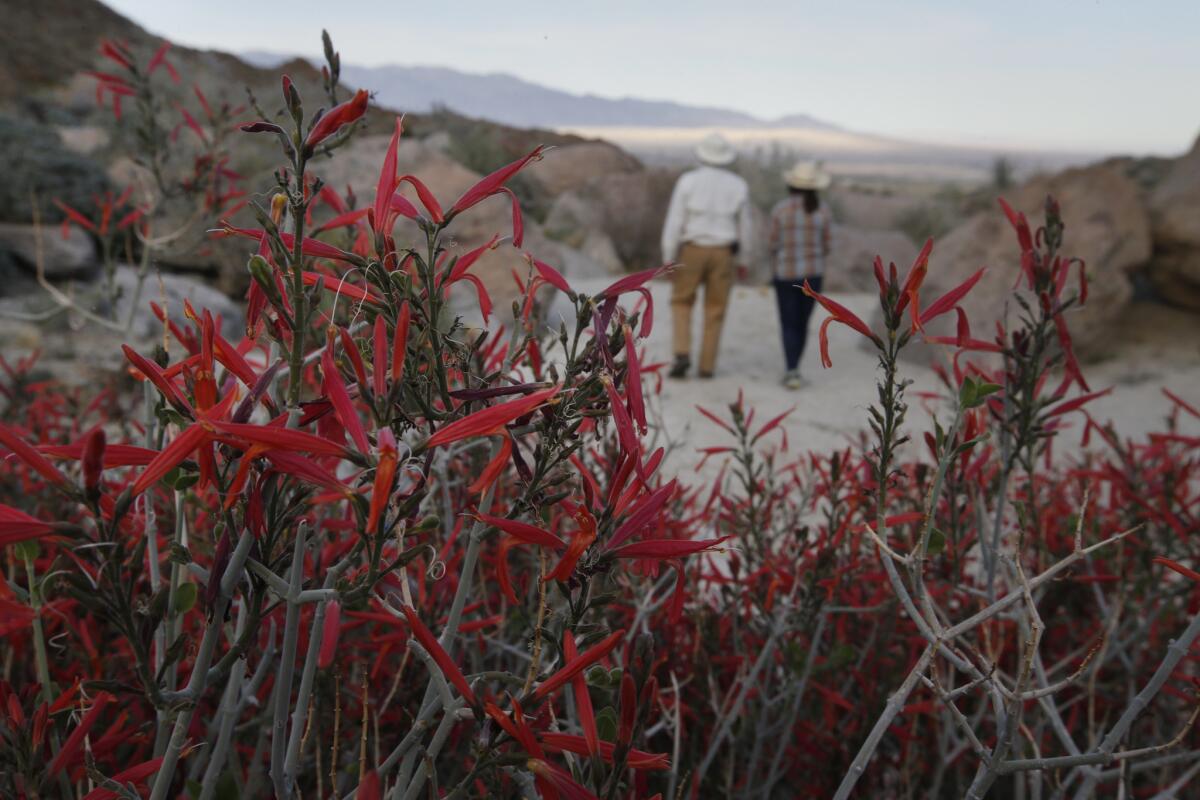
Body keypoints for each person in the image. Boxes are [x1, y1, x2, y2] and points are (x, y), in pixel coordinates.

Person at [661, 133, 752, 379]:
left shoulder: (687, 181)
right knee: (716, 308)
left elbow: (675, 221)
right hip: (723, 251)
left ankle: (682, 352)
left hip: (692, 249)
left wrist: (668, 256)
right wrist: (744, 259)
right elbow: (745, 226)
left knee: (681, 301)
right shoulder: (738, 185)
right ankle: (707, 365)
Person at [767, 161, 832, 390]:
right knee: (803, 323)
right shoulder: (822, 210)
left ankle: (791, 368)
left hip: (785, 274)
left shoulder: (780, 209)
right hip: (813, 275)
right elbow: (827, 245)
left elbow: (772, 243)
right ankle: (795, 368)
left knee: (788, 322)